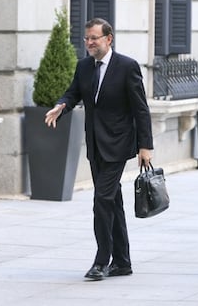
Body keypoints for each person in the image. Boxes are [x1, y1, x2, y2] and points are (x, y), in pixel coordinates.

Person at [45, 18, 153, 281]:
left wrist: (145, 146)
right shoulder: (84, 67)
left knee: (102, 200)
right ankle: (123, 262)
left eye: (94, 38)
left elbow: (141, 108)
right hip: (95, 144)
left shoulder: (127, 67)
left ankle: (101, 261)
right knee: (112, 200)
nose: (89, 43)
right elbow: (74, 93)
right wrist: (62, 106)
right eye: (86, 38)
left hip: (118, 144)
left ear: (109, 39)